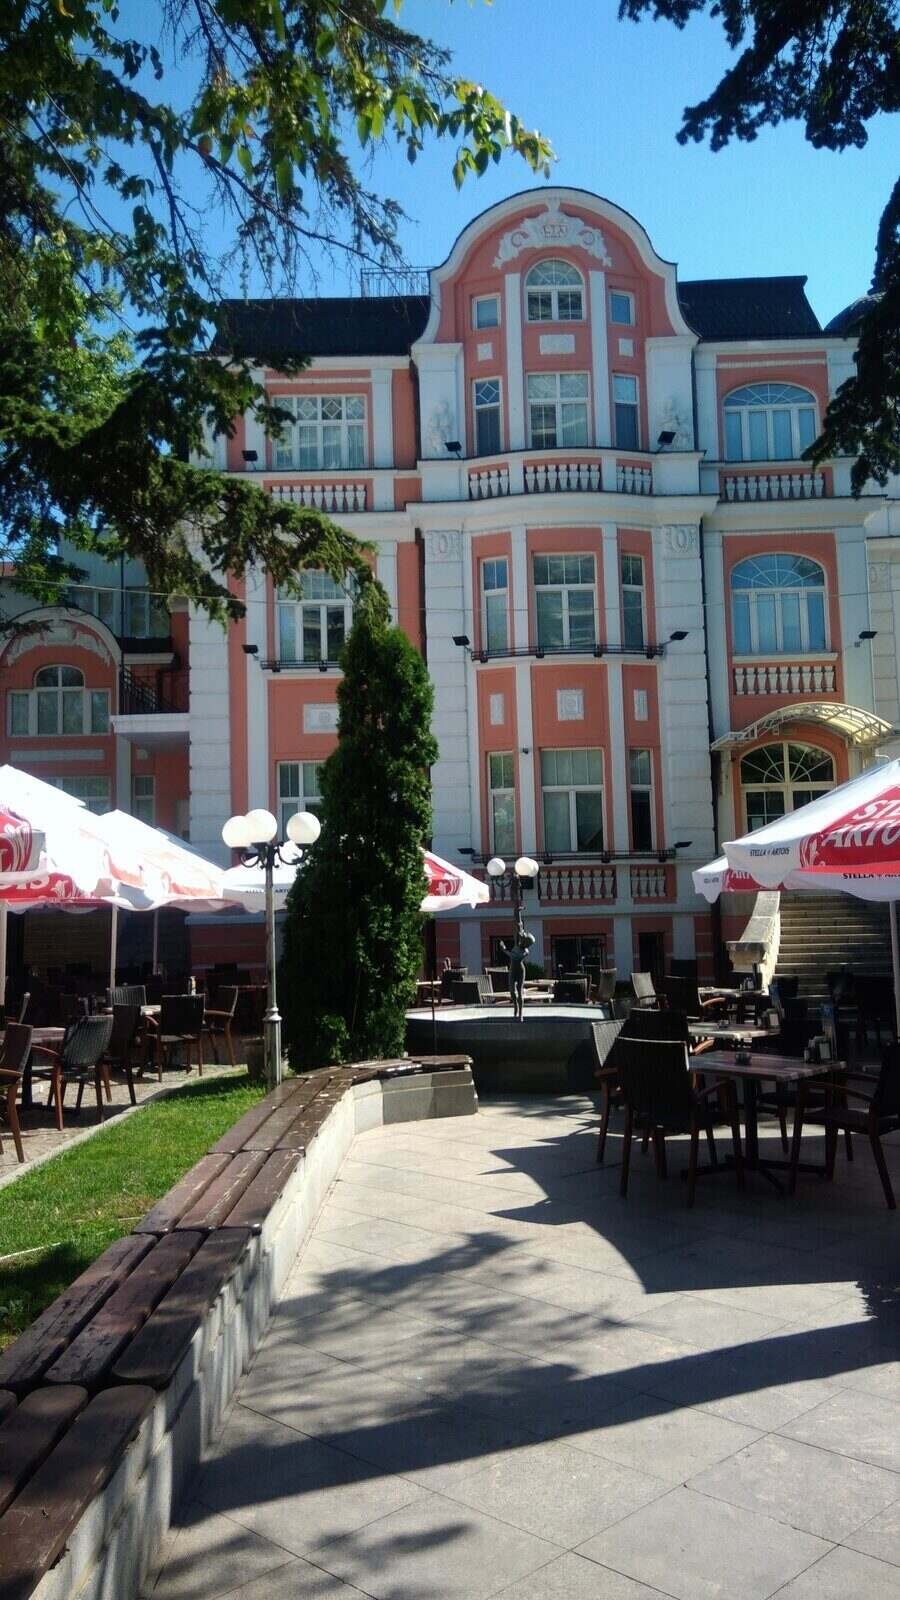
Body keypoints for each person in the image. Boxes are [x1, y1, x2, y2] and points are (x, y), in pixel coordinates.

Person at [499, 911, 535, 1022]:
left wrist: (503, 949)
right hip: (512, 970)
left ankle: (520, 1013)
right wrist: (518, 913)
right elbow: (519, 927)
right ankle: (515, 1006)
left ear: (526, 943)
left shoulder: (525, 951)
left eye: (524, 939)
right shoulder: (517, 944)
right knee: (511, 991)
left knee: (519, 991)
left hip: (520, 971)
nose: (521, 938)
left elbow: (512, 956)